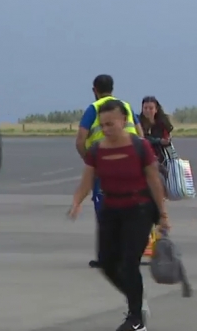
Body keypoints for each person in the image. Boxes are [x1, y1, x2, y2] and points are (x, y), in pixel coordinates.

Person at [68, 101, 170, 331]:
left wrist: (163, 214)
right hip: (111, 209)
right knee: (106, 263)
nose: (106, 129)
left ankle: (135, 320)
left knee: (129, 263)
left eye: (110, 124)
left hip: (139, 209)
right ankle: (137, 299)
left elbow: (154, 180)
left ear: (124, 122)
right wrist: (76, 201)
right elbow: (87, 180)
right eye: (102, 125)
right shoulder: (97, 151)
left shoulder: (140, 147)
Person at [75, 74, 143, 268]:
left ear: (94, 90)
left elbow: (80, 140)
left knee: (105, 210)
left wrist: (90, 163)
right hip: (132, 167)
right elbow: (141, 135)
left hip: (106, 167)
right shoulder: (126, 107)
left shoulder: (94, 109)